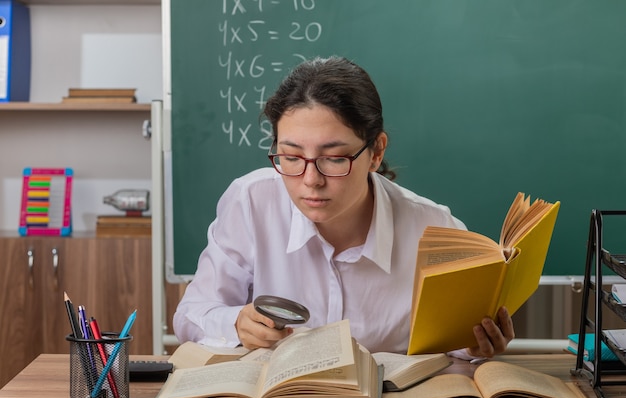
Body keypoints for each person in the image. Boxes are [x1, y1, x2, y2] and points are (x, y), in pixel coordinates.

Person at [173, 56, 514, 358]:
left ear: (376, 152)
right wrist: (235, 323)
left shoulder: (436, 230)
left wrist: (474, 345)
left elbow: (455, 340)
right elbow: (191, 313)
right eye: (291, 157)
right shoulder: (250, 201)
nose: (310, 180)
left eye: (334, 159)